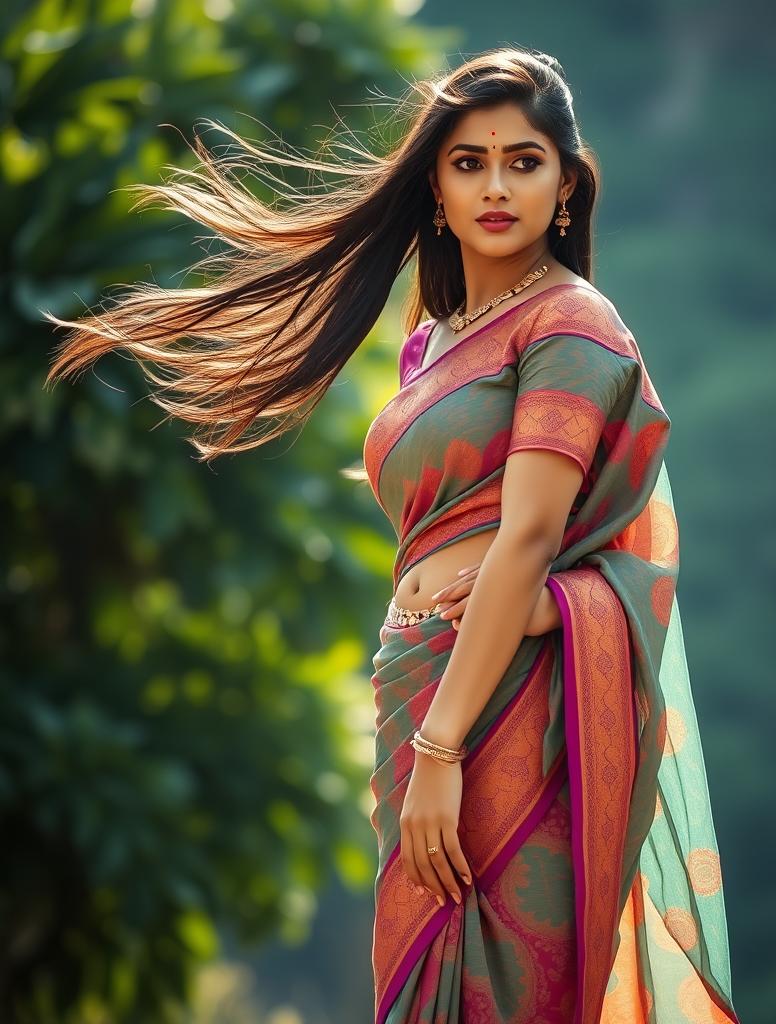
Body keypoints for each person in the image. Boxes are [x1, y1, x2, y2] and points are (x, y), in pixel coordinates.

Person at [44, 45, 739, 1024]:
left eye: (524, 161)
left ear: (567, 188)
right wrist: (426, 742)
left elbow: (530, 536)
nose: (496, 185)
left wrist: (447, 749)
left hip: (500, 715)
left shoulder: (572, 328)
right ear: (435, 190)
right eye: (468, 162)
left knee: (497, 987)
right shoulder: (435, 340)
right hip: (417, 686)